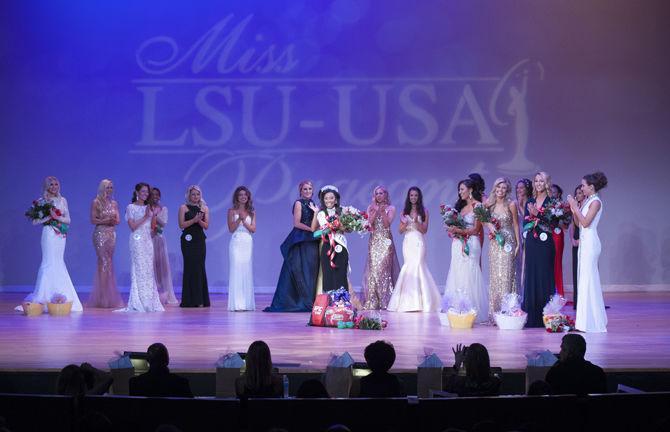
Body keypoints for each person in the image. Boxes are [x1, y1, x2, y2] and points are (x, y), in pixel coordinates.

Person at [17, 176, 83, 312]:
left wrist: (58, 217)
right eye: (51, 184)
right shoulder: (42, 201)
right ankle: (43, 299)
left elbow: (68, 220)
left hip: (61, 234)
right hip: (49, 234)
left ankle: (61, 297)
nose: (54, 187)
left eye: (56, 184)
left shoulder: (63, 200)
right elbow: (35, 222)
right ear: (47, 187)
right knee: (48, 262)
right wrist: (48, 217)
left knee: (59, 261)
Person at [264, 180, 320, 312]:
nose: (307, 191)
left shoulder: (314, 204)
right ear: (300, 191)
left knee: (310, 270)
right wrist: (311, 230)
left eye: (310, 189)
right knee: (298, 269)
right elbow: (297, 223)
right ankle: (299, 301)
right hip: (300, 239)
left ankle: (309, 299)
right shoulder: (298, 203)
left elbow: (316, 223)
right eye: (305, 189)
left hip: (311, 240)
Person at [387, 187, 441, 312]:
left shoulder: (424, 211)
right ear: (408, 197)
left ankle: (424, 302)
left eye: (416, 195)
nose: (413, 198)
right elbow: (400, 231)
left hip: (418, 241)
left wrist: (417, 223)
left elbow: (425, 230)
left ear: (419, 197)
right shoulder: (404, 212)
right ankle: (408, 301)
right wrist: (405, 223)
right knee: (408, 266)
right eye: (411, 195)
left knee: (418, 265)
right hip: (408, 242)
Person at [443, 179, 488, 323]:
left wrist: (459, 230)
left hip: (471, 243)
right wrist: (452, 231)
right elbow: (455, 225)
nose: (460, 192)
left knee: (470, 272)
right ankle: (457, 308)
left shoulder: (479, 206)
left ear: (470, 190)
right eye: (459, 190)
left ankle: (471, 309)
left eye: (462, 189)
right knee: (457, 271)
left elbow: (476, 229)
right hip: (457, 244)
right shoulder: (460, 207)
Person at [568, 172, 608, 333]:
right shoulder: (588, 200)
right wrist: (574, 208)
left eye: (583, 185)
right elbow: (578, 223)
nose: (582, 188)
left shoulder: (596, 202)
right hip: (585, 243)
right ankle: (584, 322)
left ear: (591, 187)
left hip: (591, 244)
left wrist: (576, 207)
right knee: (583, 281)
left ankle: (592, 322)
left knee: (589, 280)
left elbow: (585, 222)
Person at [121, 183, 164, 312]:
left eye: (147, 192)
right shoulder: (131, 207)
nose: (146, 194)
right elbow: (133, 227)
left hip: (147, 240)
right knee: (138, 268)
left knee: (148, 269)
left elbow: (153, 227)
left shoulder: (149, 207)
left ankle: (149, 301)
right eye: (143, 191)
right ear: (137, 192)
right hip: (136, 240)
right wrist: (146, 216)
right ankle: (138, 300)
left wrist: (154, 217)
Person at [522, 172, 555, 328]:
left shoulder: (552, 201)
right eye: (536, 181)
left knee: (544, 274)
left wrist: (539, 215)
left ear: (547, 183)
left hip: (545, 241)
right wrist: (530, 222)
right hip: (532, 241)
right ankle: (532, 315)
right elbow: (525, 222)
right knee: (532, 275)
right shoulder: (530, 200)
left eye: (541, 180)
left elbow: (554, 223)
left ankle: (546, 315)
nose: (538, 183)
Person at [484, 178, 520, 321]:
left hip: (508, 242)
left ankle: (507, 311)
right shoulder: (490, 204)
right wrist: (489, 225)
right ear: (494, 188)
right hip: (494, 243)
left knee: (507, 275)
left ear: (507, 190)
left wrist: (518, 244)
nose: (501, 190)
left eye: (504, 188)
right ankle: (495, 313)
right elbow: (481, 217)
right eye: (498, 187)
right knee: (495, 276)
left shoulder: (511, 204)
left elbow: (516, 225)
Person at [362, 186, 400, 310]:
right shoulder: (370, 207)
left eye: (381, 193)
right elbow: (369, 225)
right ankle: (373, 301)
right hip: (374, 241)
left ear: (386, 194)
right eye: (376, 193)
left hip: (386, 242)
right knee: (373, 270)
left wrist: (383, 212)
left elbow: (386, 224)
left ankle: (386, 300)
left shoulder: (391, 208)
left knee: (384, 270)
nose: (379, 195)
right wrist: (374, 211)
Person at [88, 179, 123, 308]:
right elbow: (93, 219)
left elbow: (118, 220)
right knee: (103, 261)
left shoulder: (114, 203)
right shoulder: (96, 202)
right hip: (100, 234)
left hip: (111, 235)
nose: (110, 190)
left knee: (109, 262)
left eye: (111, 187)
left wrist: (113, 220)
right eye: (107, 187)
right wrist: (105, 220)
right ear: (102, 188)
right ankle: (102, 296)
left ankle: (108, 296)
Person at [311, 185, 349, 293]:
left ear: (336, 199)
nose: (329, 200)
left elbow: (346, 230)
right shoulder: (321, 213)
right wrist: (331, 227)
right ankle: (330, 301)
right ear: (323, 200)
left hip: (340, 245)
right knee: (328, 273)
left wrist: (342, 225)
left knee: (341, 273)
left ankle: (342, 302)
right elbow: (316, 231)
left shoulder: (342, 212)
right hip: (327, 245)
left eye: (331, 198)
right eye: (326, 198)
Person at [179, 185, 210, 308]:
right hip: (187, 241)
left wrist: (199, 220)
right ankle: (189, 300)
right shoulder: (183, 207)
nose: (195, 196)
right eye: (193, 194)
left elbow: (206, 226)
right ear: (188, 195)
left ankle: (200, 300)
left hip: (199, 240)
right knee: (189, 267)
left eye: (198, 194)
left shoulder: (204, 208)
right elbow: (181, 225)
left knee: (199, 268)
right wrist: (194, 220)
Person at [227, 186, 256, 311]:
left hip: (247, 241)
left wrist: (244, 221)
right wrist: (239, 218)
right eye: (240, 195)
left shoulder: (252, 212)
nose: (243, 197)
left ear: (248, 197)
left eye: (245, 195)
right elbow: (231, 229)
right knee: (236, 269)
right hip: (236, 240)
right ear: (237, 197)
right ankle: (237, 304)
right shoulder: (231, 211)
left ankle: (246, 304)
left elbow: (253, 229)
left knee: (246, 270)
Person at [150, 187, 178, 305]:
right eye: (153, 194)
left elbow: (163, 223)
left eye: (157, 195)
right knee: (150, 266)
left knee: (161, 267)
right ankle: (151, 294)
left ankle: (163, 294)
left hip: (158, 239)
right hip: (148, 239)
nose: (155, 196)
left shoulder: (162, 208)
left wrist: (155, 215)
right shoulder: (145, 208)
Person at [515, 178, 533, 298]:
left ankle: (527, 293)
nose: (519, 190)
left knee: (528, 265)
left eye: (521, 187)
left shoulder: (531, 202)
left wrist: (522, 205)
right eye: (517, 188)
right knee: (518, 264)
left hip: (529, 234)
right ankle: (518, 293)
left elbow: (528, 218)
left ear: (527, 189)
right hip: (518, 235)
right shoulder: (514, 203)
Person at [569, 185, 585, 309]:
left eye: (580, 192)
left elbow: (583, 224)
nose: (579, 194)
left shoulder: (587, 207)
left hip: (585, 236)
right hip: (577, 236)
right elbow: (573, 225)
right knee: (576, 269)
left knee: (584, 270)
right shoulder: (576, 207)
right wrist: (572, 239)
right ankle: (577, 301)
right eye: (577, 193)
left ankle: (585, 301)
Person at [550, 184, 567, 297]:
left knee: (556, 262)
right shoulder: (546, 205)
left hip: (557, 235)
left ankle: (558, 293)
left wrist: (559, 214)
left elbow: (565, 225)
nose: (551, 194)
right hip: (546, 235)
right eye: (550, 192)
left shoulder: (563, 206)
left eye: (554, 192)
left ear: (559, 194)